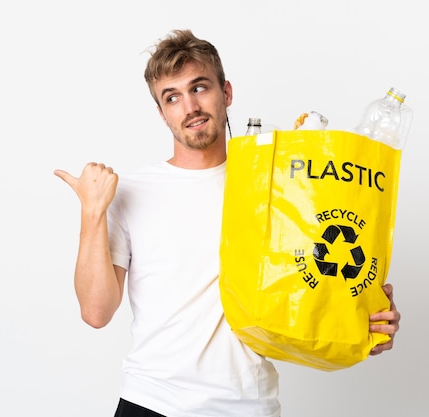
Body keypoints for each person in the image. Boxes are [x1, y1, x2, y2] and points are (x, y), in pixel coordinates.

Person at [54, 29, 401, 417]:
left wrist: (362, 314)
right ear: (161, 111)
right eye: (172, 97)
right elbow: (96, 312)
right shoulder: (133, 192)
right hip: (153, 403)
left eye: (199, 88)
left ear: (227, 92)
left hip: (248, 407)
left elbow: (312, 277)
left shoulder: (279, 185)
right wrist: (92, 212)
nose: (190, 106)